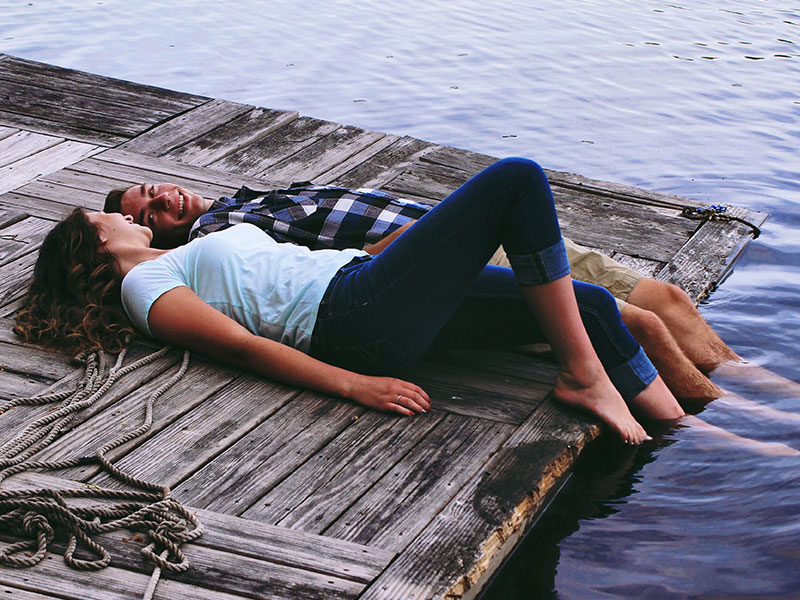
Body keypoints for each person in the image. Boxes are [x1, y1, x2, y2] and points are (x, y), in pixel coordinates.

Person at [17, 158, 689, 445]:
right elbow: (244, 348)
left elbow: (287, 265)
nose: (126, 212)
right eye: (103, 215)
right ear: (90, 245)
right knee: (517, 180)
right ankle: (582, 376)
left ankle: (692, 432)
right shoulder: (143, 287)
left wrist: (407, 254)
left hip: (365, 284)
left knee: (593, 303)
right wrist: (354, 385)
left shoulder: (178, 254)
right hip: (352, 319)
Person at [104, 174, 736, 401]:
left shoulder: (253, 198)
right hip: (438, 261)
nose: (163, 200)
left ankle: (767, 398)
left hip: (461, 233)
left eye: (152, 189)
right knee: (639, 322)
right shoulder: (206, 240)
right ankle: (743, 427)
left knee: (664, 302)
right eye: (150, 212)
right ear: (146, 234)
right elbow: (276, 306)